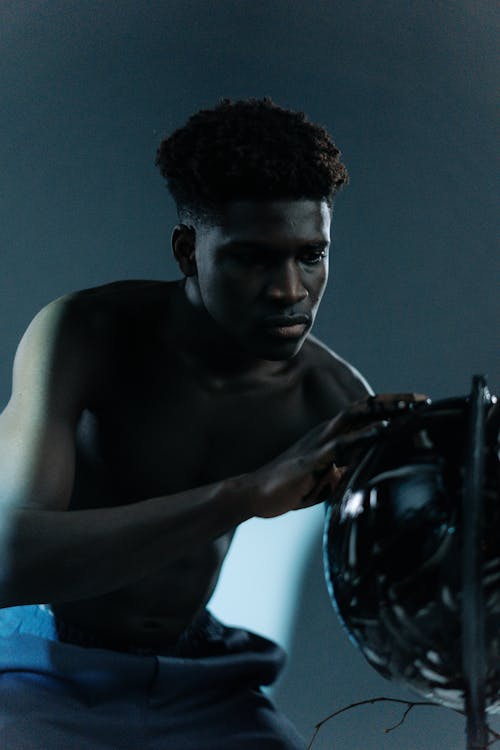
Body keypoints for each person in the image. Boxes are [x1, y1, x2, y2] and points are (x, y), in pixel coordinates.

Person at [0, 98, 422, 749]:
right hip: (36, 669)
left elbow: (409, 590)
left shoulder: (331, 399)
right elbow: (9, 560)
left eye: (311, 255)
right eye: (254, 258)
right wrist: (245, 495)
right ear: (186, 249)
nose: (288, 290)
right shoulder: (86, 335)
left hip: (200, 685)